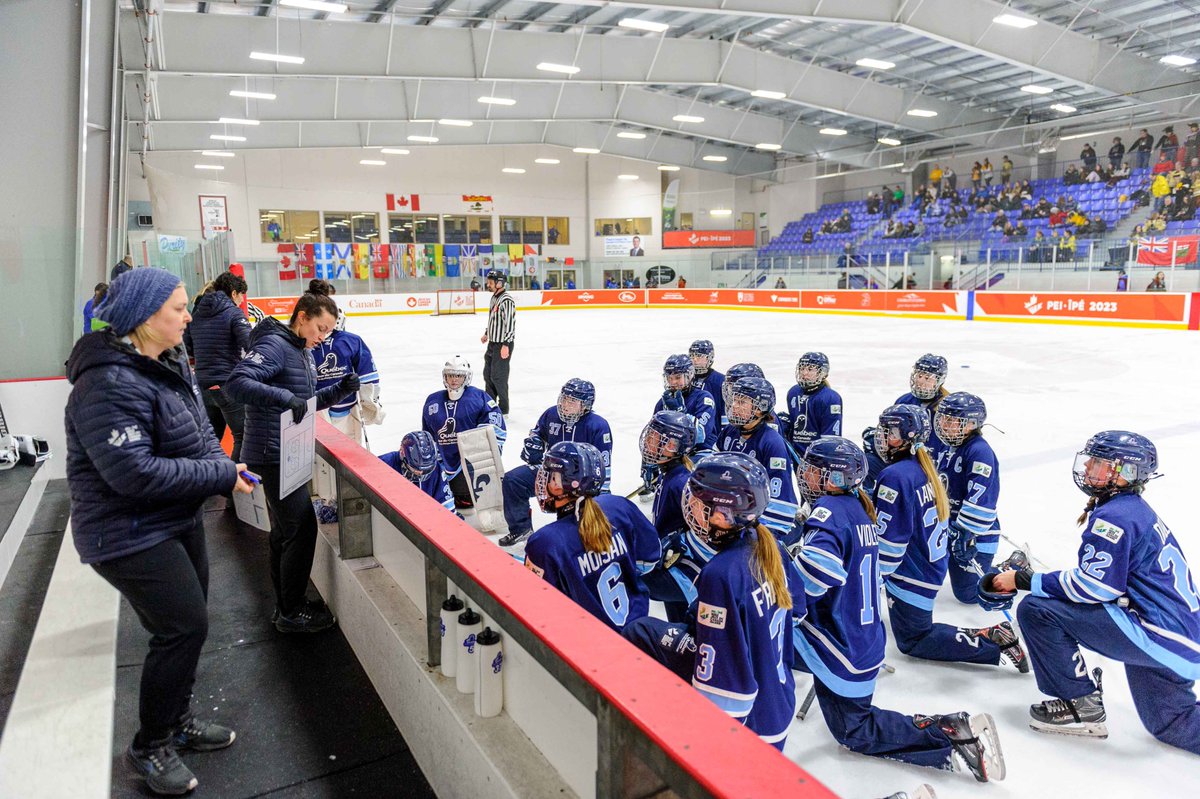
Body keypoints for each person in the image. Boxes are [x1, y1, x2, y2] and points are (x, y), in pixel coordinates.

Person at [65, 267, 250, 795]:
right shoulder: (107, 381)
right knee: (182, 626)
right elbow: (132, 473)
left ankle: (178, 720)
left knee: (189, 625)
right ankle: (149, 747)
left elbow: (197, 434)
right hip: (126, 532)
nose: (188, 315)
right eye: (178, 308)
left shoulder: (166, 361)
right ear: (146, 318)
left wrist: (224, 463)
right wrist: (221, 473)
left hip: (174, 517)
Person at [791, 436, 1005, 781]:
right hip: (862, 638)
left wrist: (782, 576)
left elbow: (814, 579)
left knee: (854, 729)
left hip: (841, 645)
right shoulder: (856, 506)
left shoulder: (830, 512)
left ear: (832, 478)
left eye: (813, 471)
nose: (805, 475)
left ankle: (951, 735)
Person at [981, 431, 1200, 753]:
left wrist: (1024, 579)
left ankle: (1078, 706)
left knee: (1037, 609)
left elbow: (1094, 588)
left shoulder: (1115, 517)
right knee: (1171, 724)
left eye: (1100, 463)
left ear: (1126, 474)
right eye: (1091, 461)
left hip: (1156, 633)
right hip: (1179, 636)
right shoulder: (1130, 508)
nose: (1088, 469)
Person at [622, 452, 805, 750]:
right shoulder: (770, 545)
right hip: (778, 703)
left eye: (698, 503)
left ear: (722, 515)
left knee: (638, 630)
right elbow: (796, 611)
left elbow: (725, 682)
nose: (690, 508)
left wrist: (717, 740)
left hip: (751, 726)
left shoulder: (720, 574)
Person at [225, 289, 358, 633]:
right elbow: (237, 384)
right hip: (272, 453)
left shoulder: (301, 351)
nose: (322, 336)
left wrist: (341, 390)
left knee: (286, 530)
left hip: (288, 451)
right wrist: (284, 398)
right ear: (302, 317)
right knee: (300, 527)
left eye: (328, 330)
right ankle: (290, 610)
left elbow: (305, 402)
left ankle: (286, 604)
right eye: (320, 328)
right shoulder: (274, 345)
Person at [873, 405, 1028, 671]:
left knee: (914, 639)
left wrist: (871, 576)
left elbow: (890, 544)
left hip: (912, 571)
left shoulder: (895, 475)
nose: (884, 438)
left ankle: (994, 639)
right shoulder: (921, 466)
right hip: (928, 563)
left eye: (892, 433)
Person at [524, 442, 660, 632]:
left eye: (549, 475)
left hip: (589, 648)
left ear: (557, 485)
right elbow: (650, 558)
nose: (543, 479)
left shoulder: (544, 542)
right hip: (637, 634)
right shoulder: (619, 506)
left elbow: (537, 608)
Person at [498, 379, 612, 548]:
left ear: (585, 405)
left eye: (572, 401)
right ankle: (520, 528)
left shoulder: (598, 426)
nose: (565, 404)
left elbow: (603, 465)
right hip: (551, 473)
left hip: (580, 482)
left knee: (586, 509)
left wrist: (601, 493)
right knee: (513, 480)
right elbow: (537, 434)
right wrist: (534, 444)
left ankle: (583, 537)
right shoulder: (551, 414)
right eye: (564, 398)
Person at [933, 392, 1001, 605]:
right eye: (943, 418)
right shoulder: (947, 447)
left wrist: (965, 532)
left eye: (952, 420)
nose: (944, 424)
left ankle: (1014, 568)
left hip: (975, 534)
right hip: (949, 528)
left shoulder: (980, 451)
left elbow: (981, 500)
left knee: (968, 594)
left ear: (972, 424)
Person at [636, 411, 704, 621]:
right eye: (650, 435)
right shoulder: (670, 475)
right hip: (673, 565)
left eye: (656, 438)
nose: (648, 441)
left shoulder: (682, 482)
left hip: (686, 573)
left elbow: (705, 532)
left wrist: (680, 542)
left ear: (673, 446)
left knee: (629, 577)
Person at [715, 377, 798, 537]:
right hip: (733, 515)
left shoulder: (772, 443)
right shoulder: (729, 432)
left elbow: (780, 498)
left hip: (760, 521)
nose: (734, 407)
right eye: (734, 401)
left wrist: (756, 531)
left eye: (742, 402)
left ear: (761, 408)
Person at [184, 270, 252, 463]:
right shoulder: (233, 312)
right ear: (233, 294)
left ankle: (208, 485)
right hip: (227, 383)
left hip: (204, 384)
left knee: (210, 440)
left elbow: (188, 344)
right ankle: (234, 486)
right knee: (244, 437)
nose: (241, 301)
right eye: (241, 296)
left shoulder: (197, 313)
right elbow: (250, 344)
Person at [421, 355, 507, 510]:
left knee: (466, 499)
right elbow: (428, 436)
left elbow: (496, 427)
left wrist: (476, 448)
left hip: (471, 463)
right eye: (450, 375)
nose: (454, 380)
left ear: (466, 377)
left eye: (459, 376)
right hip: (442, 463)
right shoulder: (432, 401)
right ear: (444, 376)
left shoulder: (480, 397)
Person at [308, 281, 381, 446]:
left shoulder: (350, 341)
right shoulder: (305, 342)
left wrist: (369, 401)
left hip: (344, 411)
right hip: (318, 410)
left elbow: (367, 375)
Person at [782, 352, 843, 459]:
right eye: (802, 368)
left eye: (810, 369)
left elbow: (830, 440)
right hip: (795, 457)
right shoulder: (793, 392)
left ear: (822, 373)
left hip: (817, 460)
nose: (804, 373)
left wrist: (817, 461)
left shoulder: (831, 398)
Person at [379, 430, 455, 512]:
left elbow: (446, 506)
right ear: (402, 454)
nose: (421, 473)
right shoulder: (383, 464)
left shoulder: (436, 468)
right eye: (416, 469)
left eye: (427, 470)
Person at [480, 269, 516, 415]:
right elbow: (493, 319)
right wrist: (487, 333)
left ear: (499, 283)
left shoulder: (506, 300)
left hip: (503, 344)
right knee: (487, 374)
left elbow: (510, 323)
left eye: (490, 282)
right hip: (493, 343)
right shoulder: (494, 298)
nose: (488, 284)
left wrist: (506, 345)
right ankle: (490, 403)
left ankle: (503, 408)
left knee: (498, 376)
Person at [688, 339, 725, 425]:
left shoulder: (720, 381)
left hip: (713, 434)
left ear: (709, 357)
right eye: (692, 356)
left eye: (699, 356)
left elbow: (725, 411)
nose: (695, 360)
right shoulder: (686, 380)